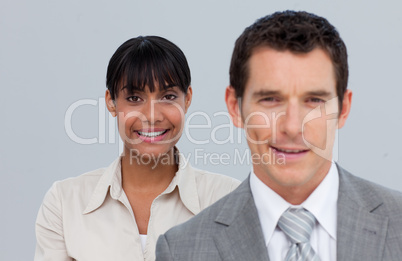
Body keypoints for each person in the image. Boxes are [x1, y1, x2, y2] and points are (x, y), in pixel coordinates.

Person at [155, 11, 402, 261]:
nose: (292, 127)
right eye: (271, 100)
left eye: (314, 100)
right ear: (235, 107)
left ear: (343, 109)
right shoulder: (180, 251)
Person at [34, 36, 240, 261]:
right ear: (111, 102)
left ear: (187, 99)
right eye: (134, 98)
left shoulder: (229, 199)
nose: (152, 116)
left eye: (168, 97)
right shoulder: (65, 203)